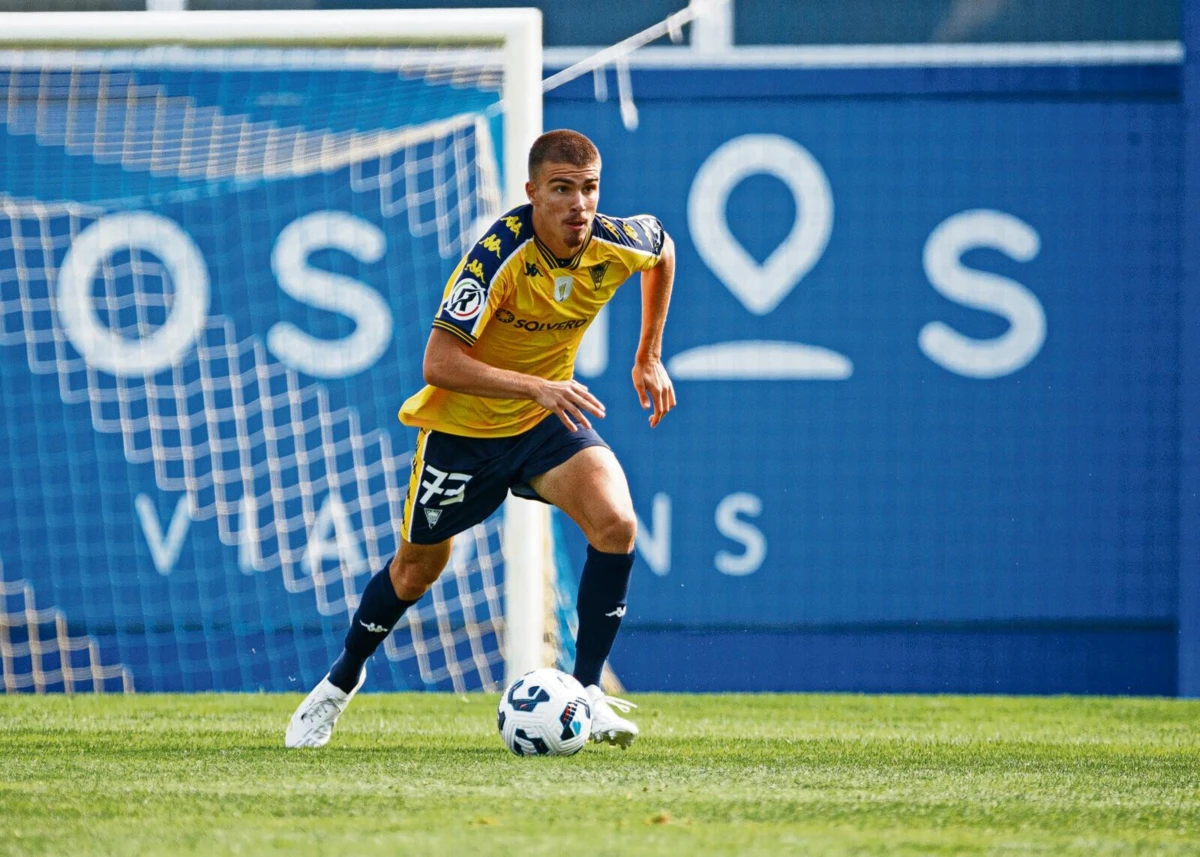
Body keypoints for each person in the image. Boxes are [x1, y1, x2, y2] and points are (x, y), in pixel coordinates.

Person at [286, 129, 676, 750]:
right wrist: (535, 386)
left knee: (617, 524)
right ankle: (341, 680)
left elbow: (664, 249)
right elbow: (438, 363)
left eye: (590, 189)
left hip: (543, 422)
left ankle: (586, 695)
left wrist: (648, 355)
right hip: (463, 434)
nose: (579, 205)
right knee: (416, 570)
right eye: (562, 189)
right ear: (532, 192)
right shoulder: (497, 256)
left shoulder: (616, 240)